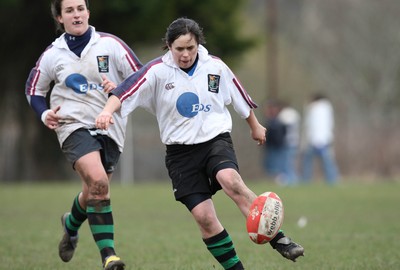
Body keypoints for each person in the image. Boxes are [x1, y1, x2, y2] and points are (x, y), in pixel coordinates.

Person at [96, 17, 304, 269]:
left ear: (198, 45)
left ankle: (279, 239)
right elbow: (123, 92)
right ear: (168, 46)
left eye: (190, 48)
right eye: (179, 49)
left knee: (231, 180)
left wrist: (255, 126)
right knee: (205, 218)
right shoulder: (156, 71)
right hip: (180, 155)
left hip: (215, 141)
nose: (185, 55)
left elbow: (240, 97)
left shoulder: (215, 66)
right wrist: (107, 111)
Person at [25, 0, 142, 269]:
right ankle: (109, 256)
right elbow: (34, 90)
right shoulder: (53, 54)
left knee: (93, 191)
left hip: (110, 125)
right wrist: (45, 114)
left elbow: (141, 77)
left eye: (80, 8)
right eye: (69, 10)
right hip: (72, 125)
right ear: (59, 17)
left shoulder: (110, 44)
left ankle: (70, 223)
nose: (76, 14)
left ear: (88, 12)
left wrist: (119, 87)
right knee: (100, 182)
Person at [301, 92, 339, 184]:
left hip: (315, 140)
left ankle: (306, 181)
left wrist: (316, 141)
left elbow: (314, 125)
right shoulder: (327, 108)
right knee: (328, 163)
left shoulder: (314, 108)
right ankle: (332, 180)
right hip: (326, 139)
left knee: (308, 162)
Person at [277, 103, 301, 185]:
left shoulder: (285, 114)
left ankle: (292, 180)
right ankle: (290, 179)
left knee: (287, 162)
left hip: (288, 142)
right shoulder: (295, 114)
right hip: (294, 141)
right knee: (290, 162)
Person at [262, 100, 286, 180]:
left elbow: (282, 132)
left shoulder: (279, 121)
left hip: (277, 146)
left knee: (277, 164)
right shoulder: (269, 121)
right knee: (270, 164)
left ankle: (280, 179)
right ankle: (274, 178)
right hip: (270, 146)